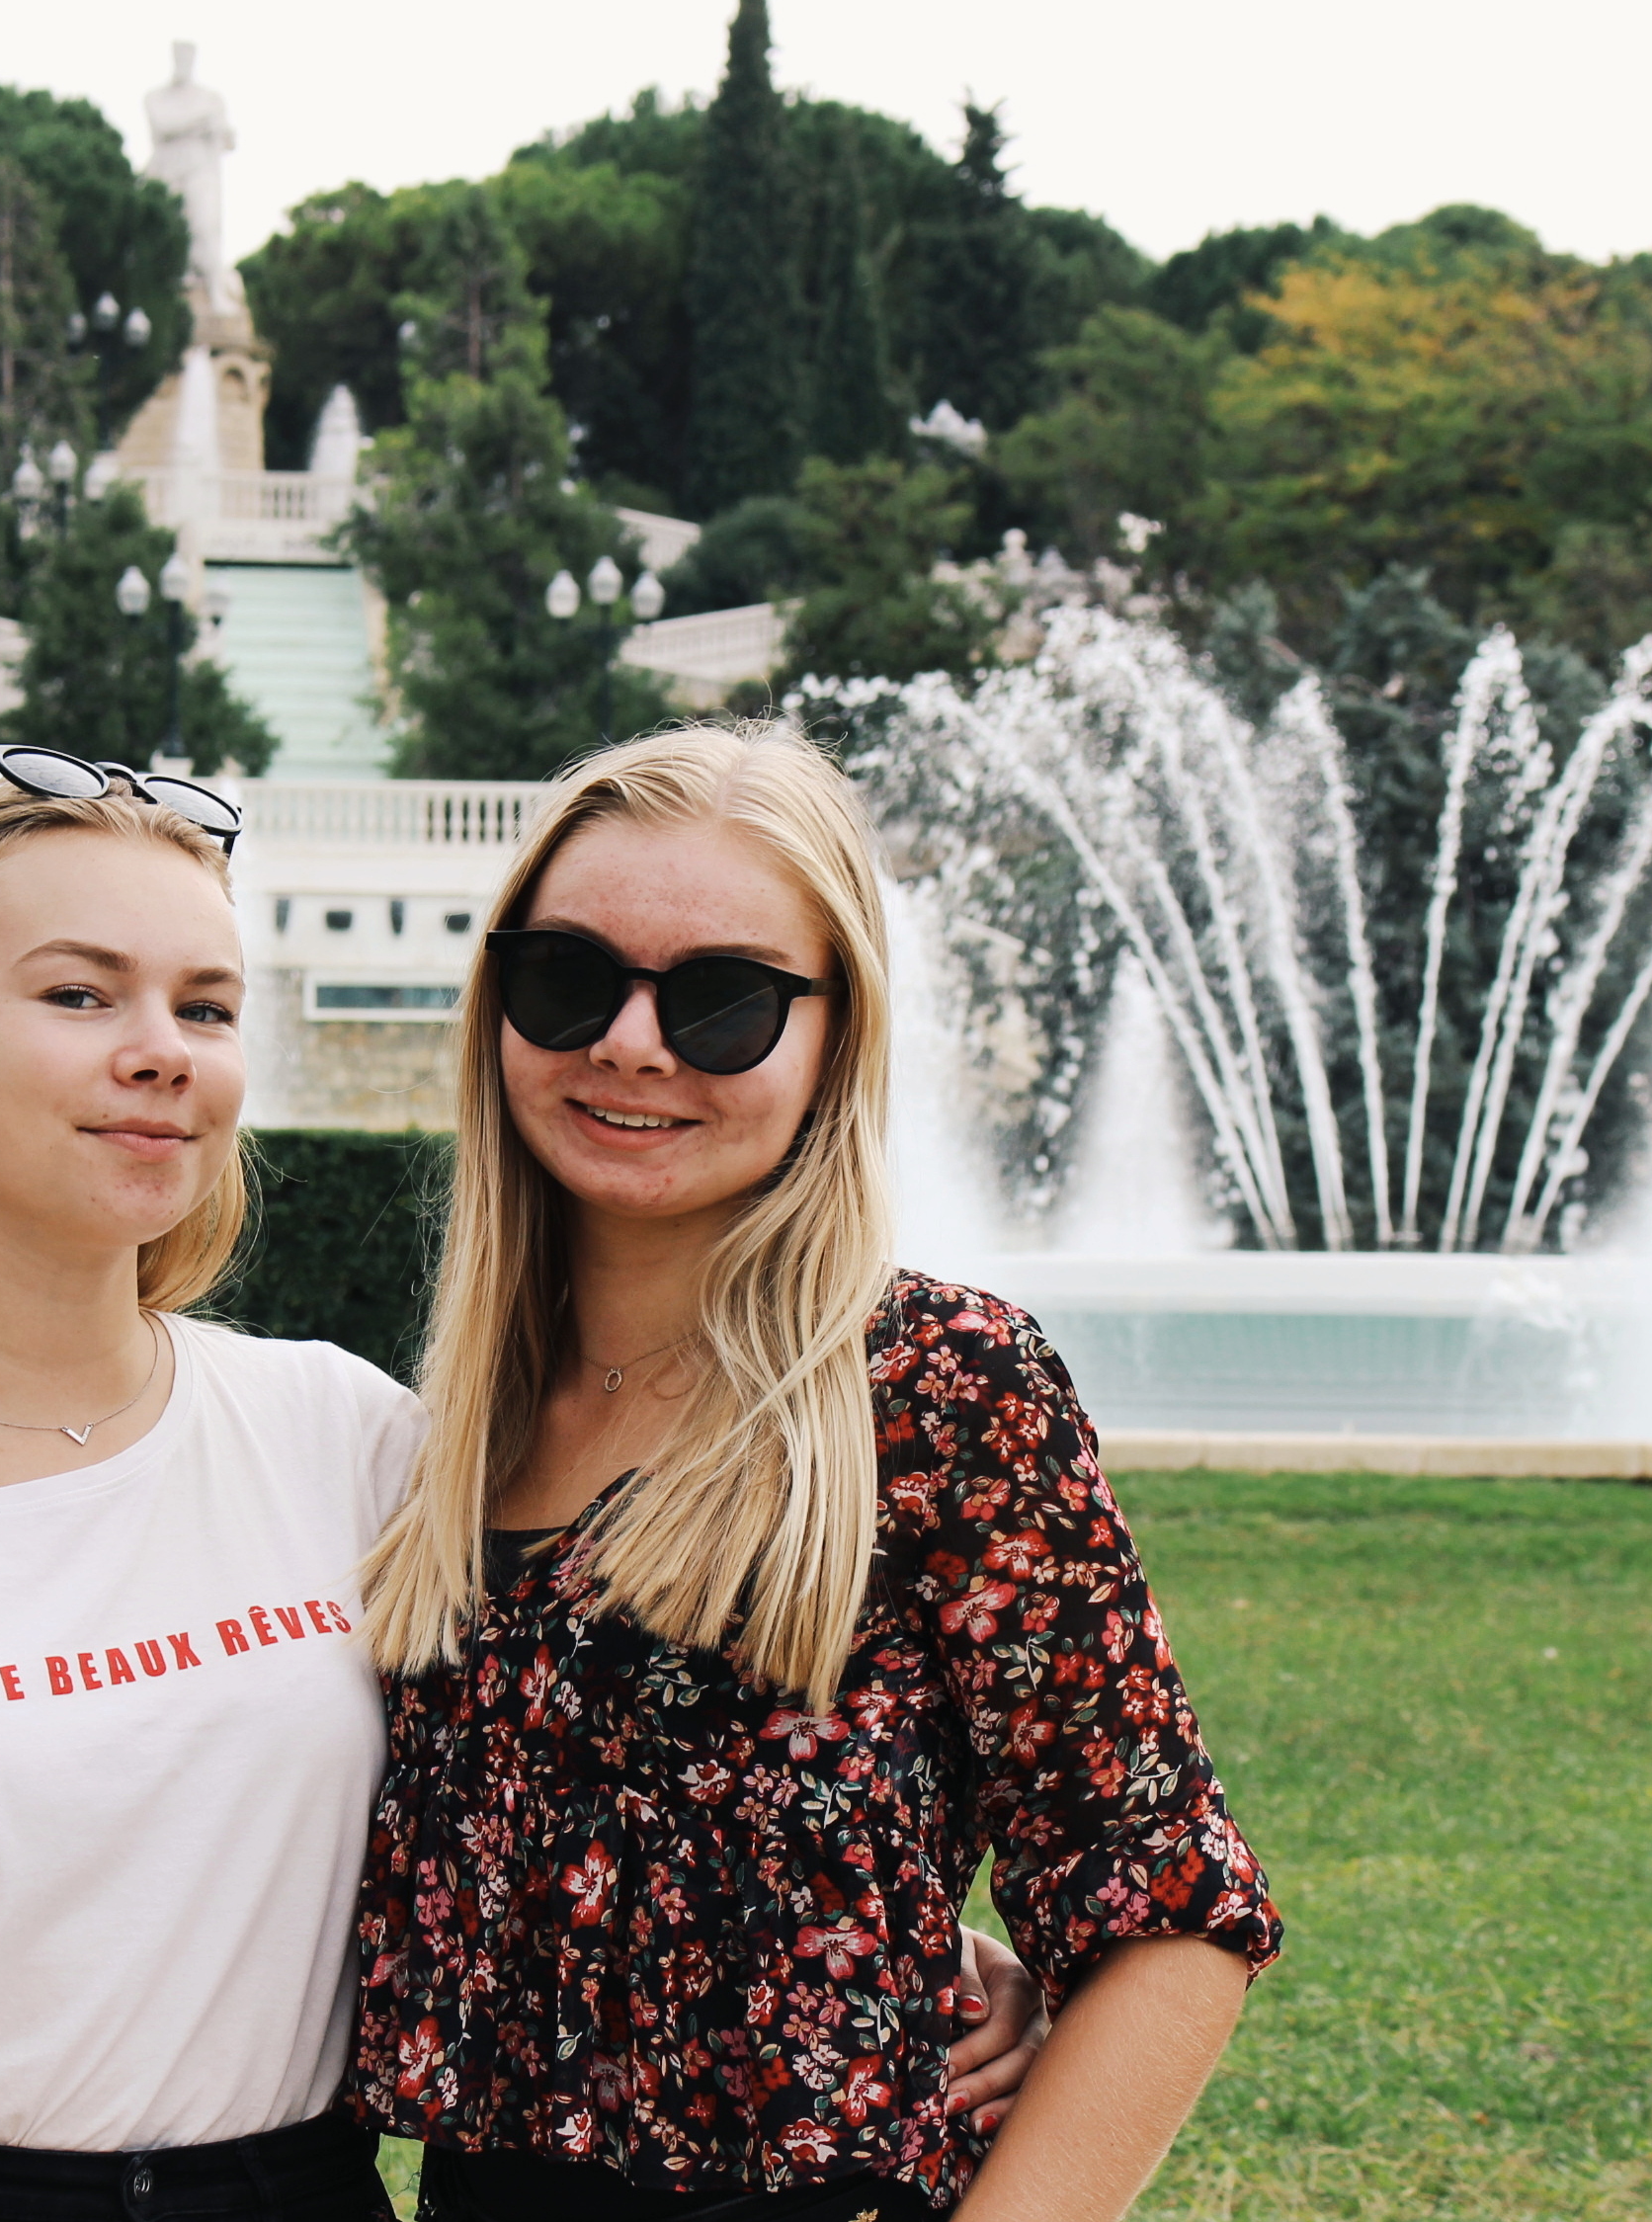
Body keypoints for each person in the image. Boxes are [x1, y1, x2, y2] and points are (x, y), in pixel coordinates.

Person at [0, 744, 1046, 2222]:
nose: (160, 1048)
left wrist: (876, 1921)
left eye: (207, 1003)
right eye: (80, 991)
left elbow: (575, 1771)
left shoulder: (352, 1440)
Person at [348, 727, 1280, 2222]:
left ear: (837, 1033)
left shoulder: (937, 1385)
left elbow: (1167, 1911)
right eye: (569, 978)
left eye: (724, 999)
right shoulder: (445, 1433)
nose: (633, 1042)